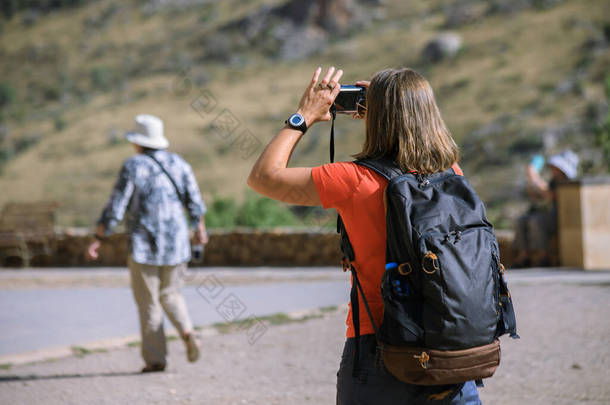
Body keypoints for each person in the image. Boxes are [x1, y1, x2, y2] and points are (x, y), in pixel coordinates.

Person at [247, 67, 481, 404]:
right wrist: (397, 107)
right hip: (453, 345)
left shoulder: (353, 180)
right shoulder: (453, 175)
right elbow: (434, 145)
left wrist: (304, 116)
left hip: (380, 348)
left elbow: (263, 177)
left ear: (377, 118)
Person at [86, 114, 208, 372]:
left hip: (144, 245)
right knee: (171, 294)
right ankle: (187, 331)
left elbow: (115, 209)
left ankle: (156, 360)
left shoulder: (133, 166)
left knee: (149, 302)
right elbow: (195, 204)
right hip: (177, 244)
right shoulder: (179, 163)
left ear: (138, 142)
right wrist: (199, 229)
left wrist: (98, 238)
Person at [512, 150, 579, 267]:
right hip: (551, 213)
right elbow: (541, 197)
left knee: (536, 221)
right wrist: (532, 184)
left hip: (562, 216)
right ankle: (523, 256)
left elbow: (552, 195)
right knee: (521, 220)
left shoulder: (567, 183)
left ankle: (543, 257)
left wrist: (536, 179)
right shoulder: (554, 181)